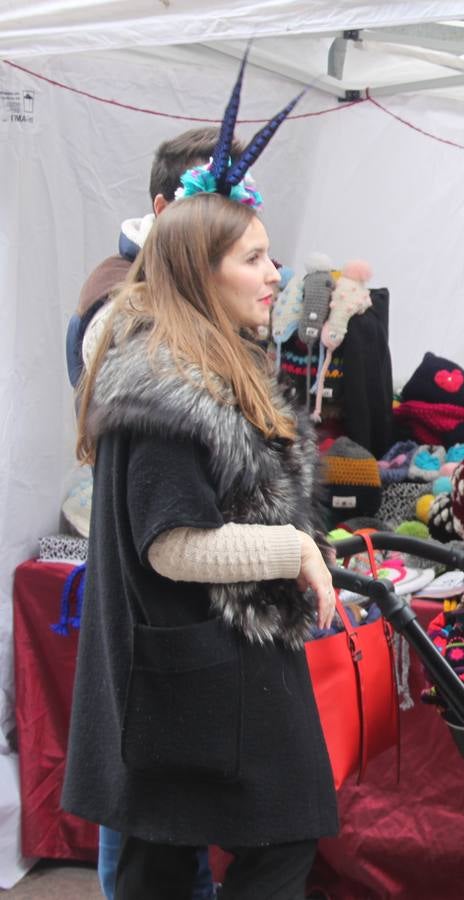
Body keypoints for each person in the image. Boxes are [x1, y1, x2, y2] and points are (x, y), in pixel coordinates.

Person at [62, 60, 335, 899]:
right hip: (191, 676)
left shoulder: (199, 365)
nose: (274, 272)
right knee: (248, 846)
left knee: (168, 862)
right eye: (254, 257)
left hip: (209, 669)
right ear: (200, 269)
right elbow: (174, 544)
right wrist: (292, 548)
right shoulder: (163, 382)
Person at [67, 125, 243, 900]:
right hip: (147, 591)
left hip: (168, 603)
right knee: (144, 824)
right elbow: (170, 530)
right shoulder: (124, 302)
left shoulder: (165, 299)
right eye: (216, 204)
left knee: (162, 828)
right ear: (168, 207)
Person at [66, 127, 241, 390]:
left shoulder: (213, 279)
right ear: (164, 209)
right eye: (213, 206)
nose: (233, 223)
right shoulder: (118, 291)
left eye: (239, 205)